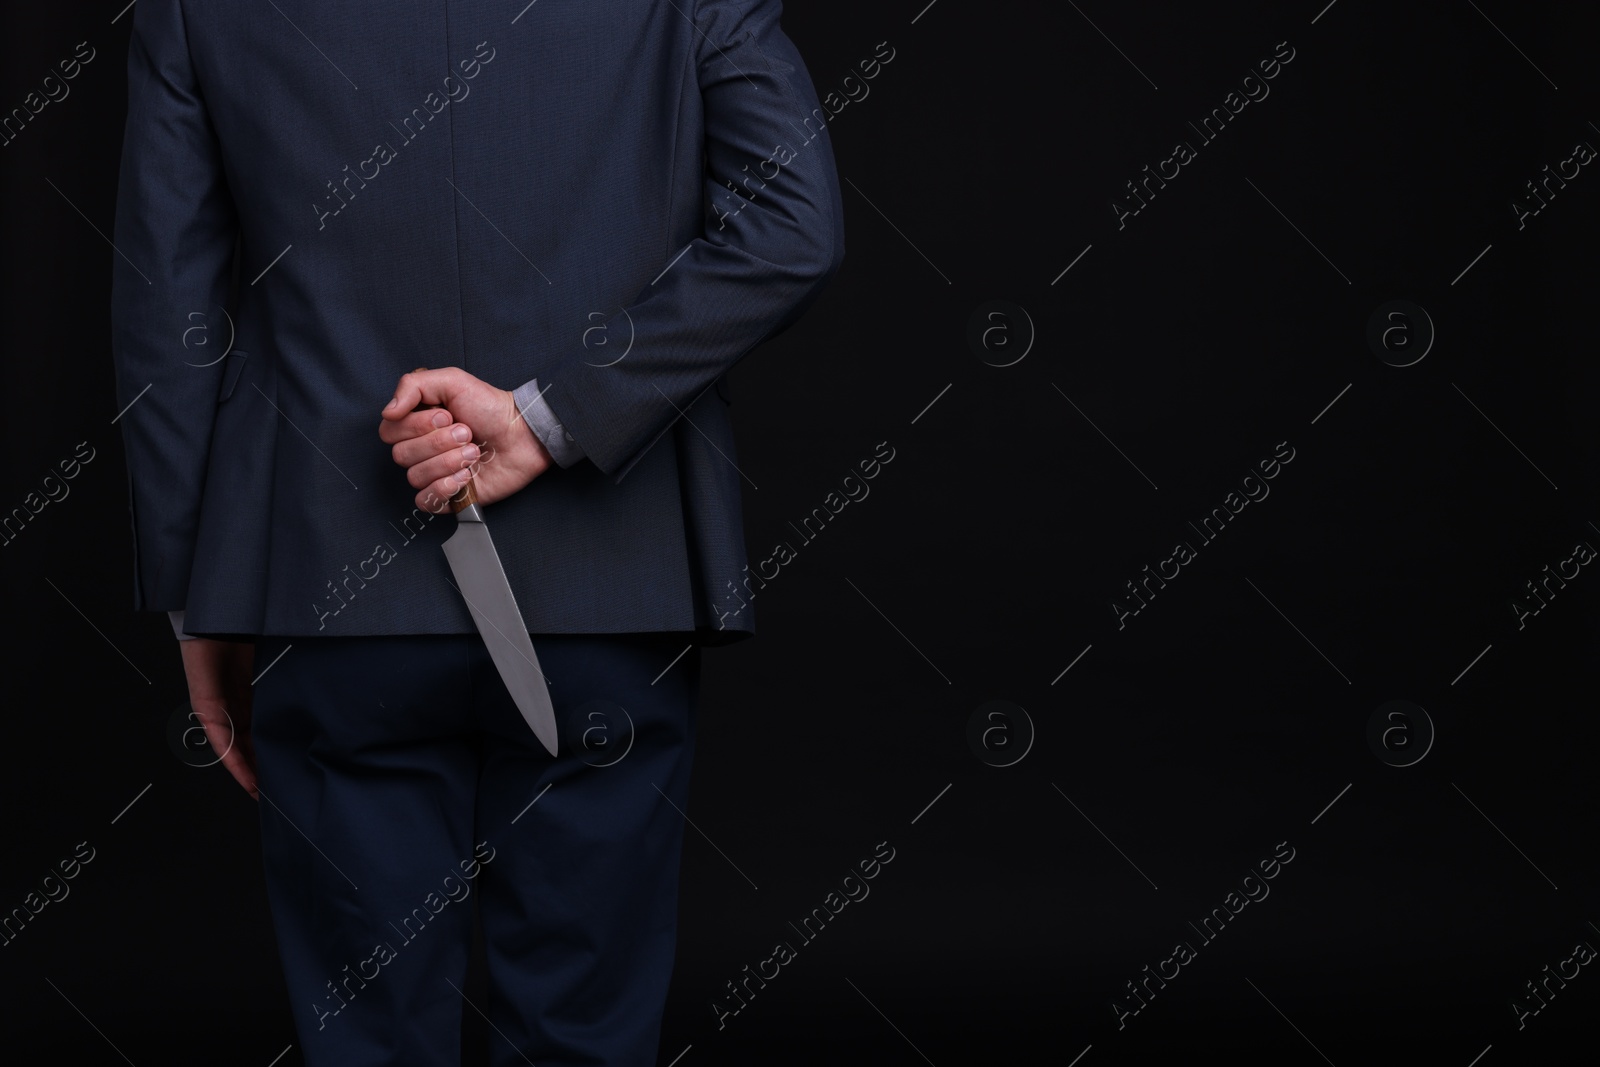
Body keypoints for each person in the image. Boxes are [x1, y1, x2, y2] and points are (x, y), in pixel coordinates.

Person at [110, 1, 843, 1063]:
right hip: (611, 584)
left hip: (327, 587)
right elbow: (794, 228)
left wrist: (195, 594)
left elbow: (167, 318)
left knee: (371, 1037)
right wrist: (552, 417)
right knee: (583, 1034)